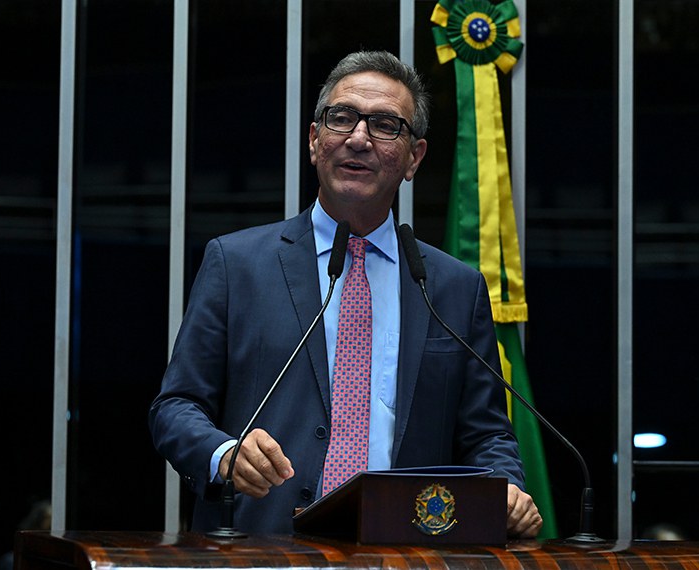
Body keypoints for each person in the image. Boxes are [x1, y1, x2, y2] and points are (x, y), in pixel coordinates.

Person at [149, 50, 542, 538]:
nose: (358, 138)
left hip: (406, 551)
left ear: (414, 157)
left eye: (384, 125)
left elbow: (486, 434)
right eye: (342, 118)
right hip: (261, 552)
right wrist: (223, 454)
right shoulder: (236, 264)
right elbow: (176, 407)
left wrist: (503, 487)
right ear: (315, 141)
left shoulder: (454, 288)